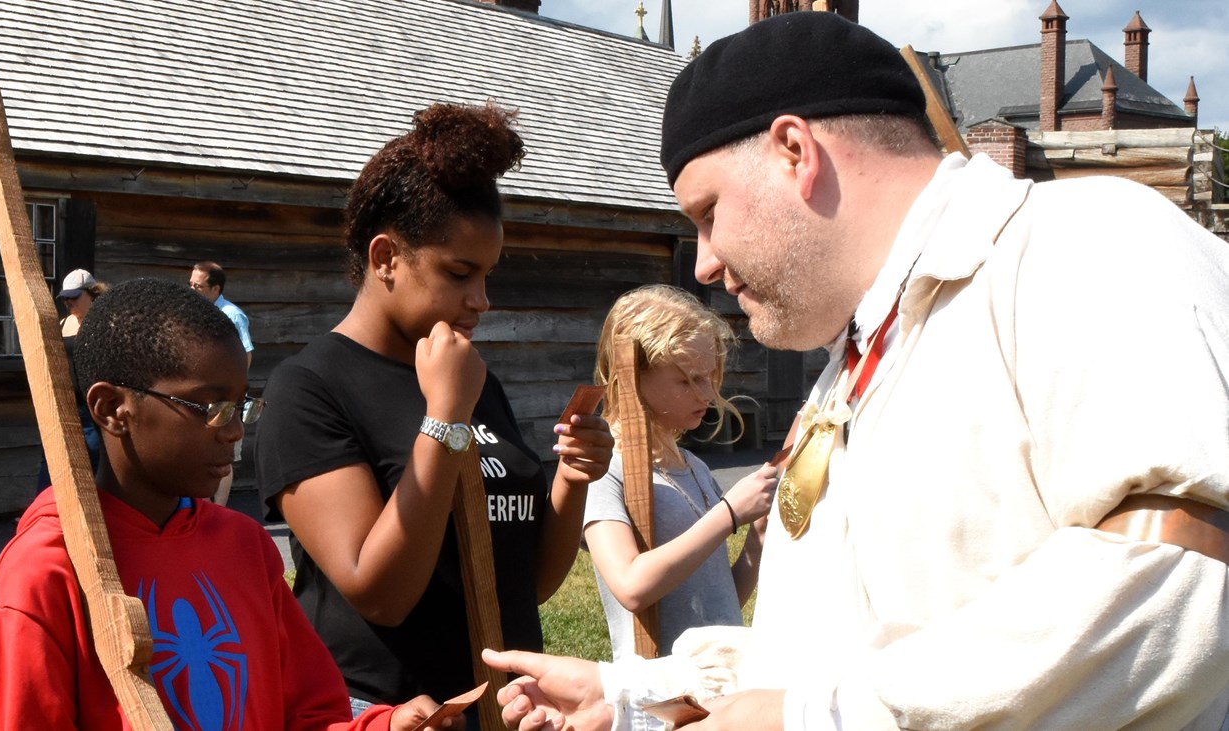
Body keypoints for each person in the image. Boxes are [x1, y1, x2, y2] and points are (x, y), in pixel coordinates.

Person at [483, 11, 1229, 731]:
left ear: (794, 152)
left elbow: (1182, 585)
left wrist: (817, 718)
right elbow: (847, 648)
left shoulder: (1087, 246)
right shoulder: (852, 368)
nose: (705, 264)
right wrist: (638, 691)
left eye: (708, 213)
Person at [254, 102, 614, 722]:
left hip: (503, 708)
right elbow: (380, 591)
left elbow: (525, 586)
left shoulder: (471, 377)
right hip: (395, 712)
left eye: (489, 274)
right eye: (458, 272)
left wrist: (573, 479)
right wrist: (445, 415)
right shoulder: (310, 390)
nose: (482, 299)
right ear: (386, 258)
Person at [0, 278, 455, 730]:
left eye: (241, 405)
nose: (232, 431)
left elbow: (308, 712)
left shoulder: (243, 546)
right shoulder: (43, 575)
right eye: (209, 408)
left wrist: (383, 723)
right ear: (112, 410)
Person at [583, 285, 776, 687]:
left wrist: (757, 539)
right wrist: (729, 513)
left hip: (718, 687)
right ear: (633, 376)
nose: (707, 394)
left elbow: (717, 604)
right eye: (688, 380)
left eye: (709, 378)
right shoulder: (604, 471)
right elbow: (632, 587)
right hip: (660, 696)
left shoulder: (695, 467)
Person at [36, 269, 110, 495]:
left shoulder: (103, 325)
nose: (69, 302)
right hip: (66, 407)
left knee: (96, 459)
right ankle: (46, 509)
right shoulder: (62, 324)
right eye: (66, 297)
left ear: (92, 294)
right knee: (52, 459)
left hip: (93, 409)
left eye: (74, 297)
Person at [190, 260, 254, 505]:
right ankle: (202, 505)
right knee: (201, 451)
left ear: (215, 289)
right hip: (202, 397)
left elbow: (246, 354)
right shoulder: (194, 313)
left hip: (224, 399)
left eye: (199, 286)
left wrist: (230, 393)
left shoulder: (232, 315)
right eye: (191, 284)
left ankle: (220, 508)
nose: (192, 289)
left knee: (224, 454)